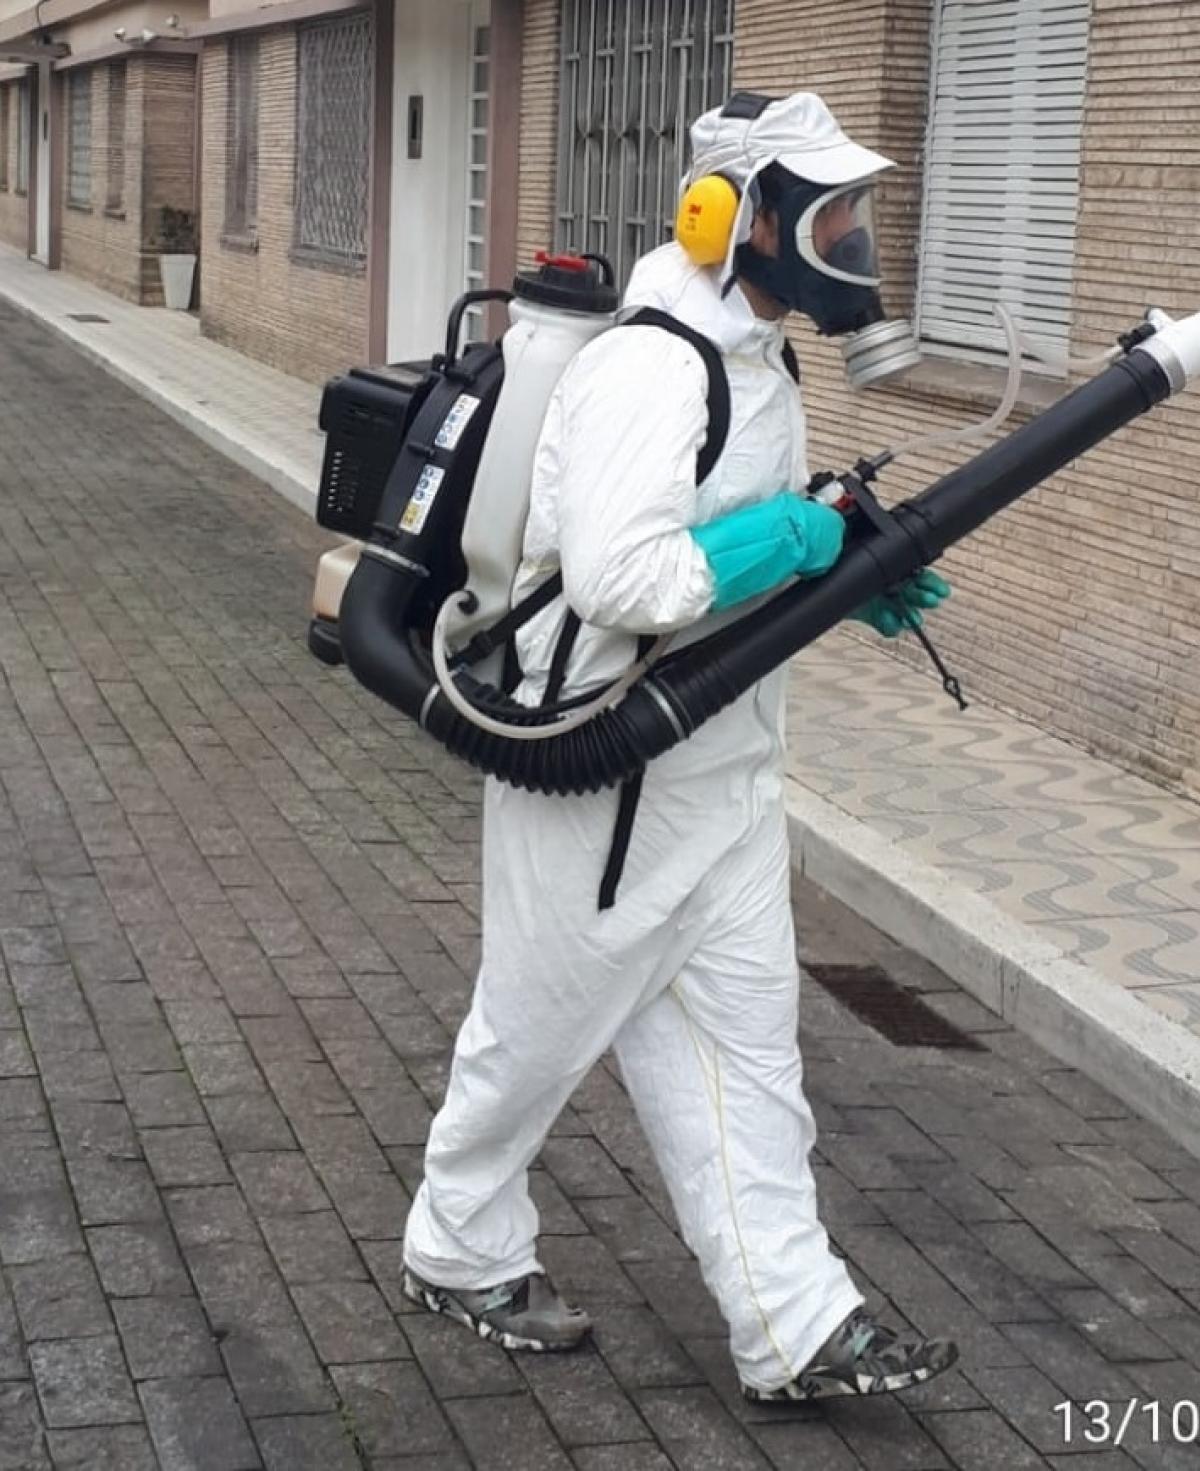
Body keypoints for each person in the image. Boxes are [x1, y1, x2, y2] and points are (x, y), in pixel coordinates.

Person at [400, 90, 956, 1402]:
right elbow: (621, 578)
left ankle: (796, 1324)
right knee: (532, 1036)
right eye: (832, 213)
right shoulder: (655, 365)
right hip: (600, 773)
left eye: (858, 213)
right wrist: (800, 542)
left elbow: (736, 555)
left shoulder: (763, 358)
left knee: (753, 1058)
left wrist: (844, 573)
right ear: (737, 215)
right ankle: (458, 1241)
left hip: (722, 778)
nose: (856, 240)